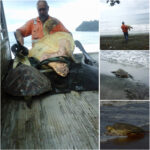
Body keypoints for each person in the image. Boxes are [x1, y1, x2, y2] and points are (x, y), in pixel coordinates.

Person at [15, 0, 74, 77]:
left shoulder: (55, 22)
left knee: (63, 41)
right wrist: (20, 40)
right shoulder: (32, 23)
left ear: (48, 8)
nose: (42, 12)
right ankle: (56, 65)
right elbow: (18, 31)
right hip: (38, 53)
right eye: (40, 10)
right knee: (41, 58)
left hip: (54, 53)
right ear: (37, 10)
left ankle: (59, 61)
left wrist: (66, 48)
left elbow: (68, 34)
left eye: (44, 9)